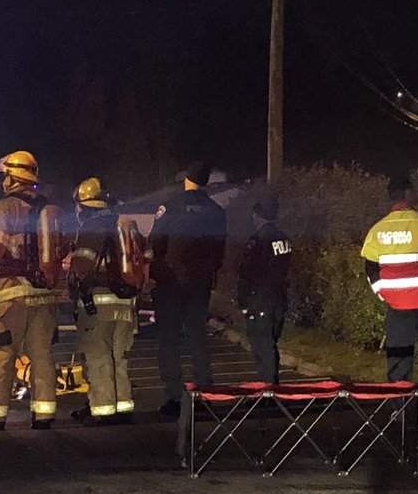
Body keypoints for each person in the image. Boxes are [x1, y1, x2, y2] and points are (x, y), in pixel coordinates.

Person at [0, 150, 63, 431]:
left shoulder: (4, 208)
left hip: (12, 294)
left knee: (3, 353)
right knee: (42, 355)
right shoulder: (53, 210)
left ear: (12, 177)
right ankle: (44, 414)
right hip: (45, 294)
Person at [149, 160, 227, 417]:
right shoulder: (217, 211)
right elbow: (220, 250)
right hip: (200, 284)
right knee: (197, 338)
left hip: (171, 283)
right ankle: (206, 392)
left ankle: (174, 396)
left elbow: (155, 243)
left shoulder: (171, 207)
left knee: (169, 341)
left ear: (186, 180)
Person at [361, 173, 418, 383]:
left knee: (398, 356)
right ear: (407, 194)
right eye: (414, 189)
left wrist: (381, 293)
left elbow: (370, 265)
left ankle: (399, 408)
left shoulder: (378, 229)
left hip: (397, 303)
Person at [68, 177, 143, 424]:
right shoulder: (127, 225)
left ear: (84, 205)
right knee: (118, 357)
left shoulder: (90, 228)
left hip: (99, 305)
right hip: (126, 303)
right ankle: (123, 406)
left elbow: (82, 267)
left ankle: (102, 409)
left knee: (98, 356)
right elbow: (147, 257)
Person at [236, 196, 292, 383]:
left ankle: (268, 390)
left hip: (260, 300)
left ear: (258, 217)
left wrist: (243, 301)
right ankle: (270, 386)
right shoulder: (284, 239)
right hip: (278, 299)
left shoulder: (258, 240)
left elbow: (247, 273)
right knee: (271, 343)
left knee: (262, 346)